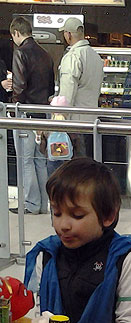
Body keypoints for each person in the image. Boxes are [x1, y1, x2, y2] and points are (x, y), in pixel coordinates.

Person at [24, 157, 131, 323]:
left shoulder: (124, 258)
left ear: (108, 216)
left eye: (77, 215)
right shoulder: (47, 255)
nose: (63, 225)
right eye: (57, 213)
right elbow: (41, 318)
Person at [9, 16, 55, 215]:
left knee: (25, 160)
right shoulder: (46, 54)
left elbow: (19, 87)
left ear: (16, 33)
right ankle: (44, 204)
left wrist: (14, 109)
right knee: (39, 160)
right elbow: (51, 87)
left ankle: (31, 204)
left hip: (26, 113)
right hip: (42, 114)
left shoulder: (20, 53)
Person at [57, 17, 103, 156]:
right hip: (93, 120)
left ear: (68, 35)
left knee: (72, 163)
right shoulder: (96, 56)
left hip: (75, 122)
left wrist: (60, 116)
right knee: (89, 163)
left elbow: (67, 93)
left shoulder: (72, 57)